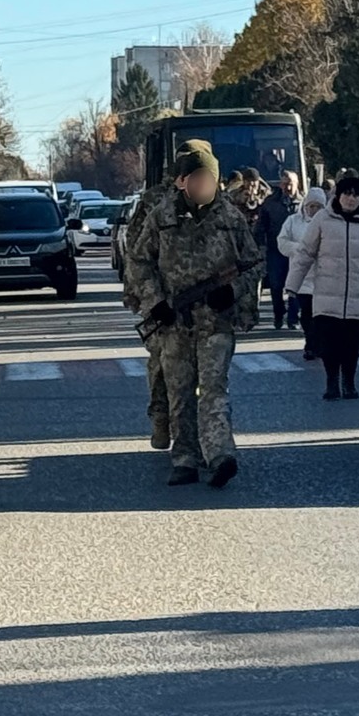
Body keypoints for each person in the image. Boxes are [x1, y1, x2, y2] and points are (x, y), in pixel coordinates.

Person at [124, 144, 262, 489]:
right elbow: (138, 261)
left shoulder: (230, 218)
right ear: (183, 181)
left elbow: (254, 264)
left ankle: (220, 455)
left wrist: (232, 291)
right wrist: (155, 301)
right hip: (174, 323)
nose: (204, 185)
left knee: (214, 390)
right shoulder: (162, 216)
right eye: (198, 178)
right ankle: (185, 458)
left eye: (209, 178)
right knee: (180, 393)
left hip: (216, 321)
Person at [118, 138, 215, 452]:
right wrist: (141, 295)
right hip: (164, 299)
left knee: (205, 367)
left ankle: (198, 429)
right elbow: (137, 250)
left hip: (205, 301)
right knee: (163, 361)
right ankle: (162, 418)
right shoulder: (155, 199)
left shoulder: (216, 199)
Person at [287, 172, 359, 400]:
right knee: (329, 343)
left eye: (356, 195)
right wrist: (292, 285)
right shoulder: (322, 219)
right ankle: (331, 382)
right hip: (327, 293)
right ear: (338, 196)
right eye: (347, 194)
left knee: (351, 344)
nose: (351, 199)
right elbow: (305, 253)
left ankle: (349, 382)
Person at [278, 186, 327, 359]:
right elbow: (282, 242)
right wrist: (299, 249)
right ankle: (310, 343)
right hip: (302, 275)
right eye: (311, 206)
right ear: (305, 205)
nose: (314, 210)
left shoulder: (330, 223)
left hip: (323, 276)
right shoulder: (293, 221)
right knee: (306, 311)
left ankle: (318, 343)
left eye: (318, 206)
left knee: (320, 314)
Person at [256, 169, 301, 332]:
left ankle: (293, 317)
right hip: (275, 250)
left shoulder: (304, 204)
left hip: (297, 252)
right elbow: (260, 226)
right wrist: (260, 245)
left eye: (290, 184)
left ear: (297, 184)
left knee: (295, 285)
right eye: (284, 184)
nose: (287, 187)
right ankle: (278, 314)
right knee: (276, 285)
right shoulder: (270, 203)